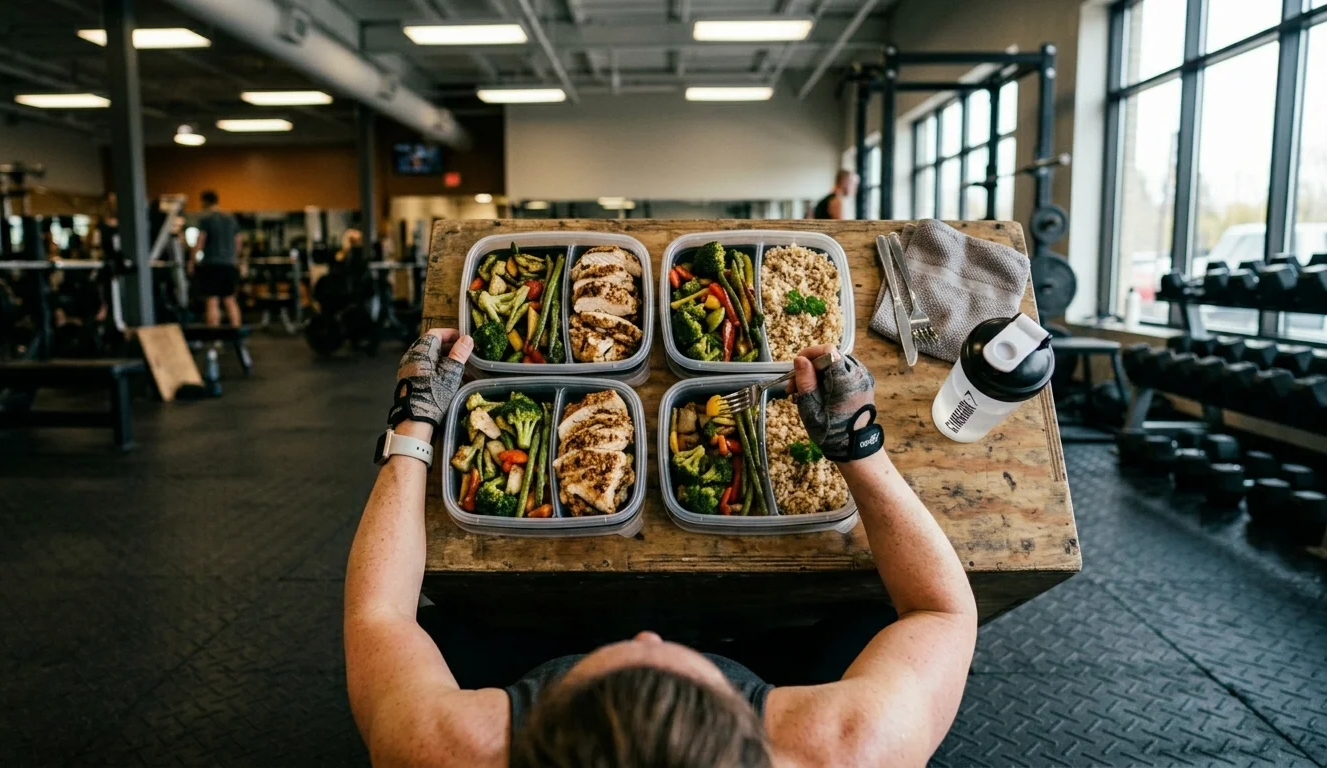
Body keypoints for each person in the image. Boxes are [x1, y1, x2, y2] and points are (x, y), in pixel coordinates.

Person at [345, 330, 977, 768]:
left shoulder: (435, 747)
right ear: (757, 740)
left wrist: (413, 424)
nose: (648, 637)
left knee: (441, 629)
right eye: (671, 662)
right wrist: (857, 446)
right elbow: (942, 610)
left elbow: (379, 613)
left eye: (616, 664)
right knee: (870, 623)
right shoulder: (853, 745)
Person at [193, 190, 243, 327]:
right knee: (230, 299)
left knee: (212, 300)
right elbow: (238, 241)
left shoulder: (206, 219)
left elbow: (200, 240)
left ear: (204, 202)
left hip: (212, 264)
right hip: (229, 264)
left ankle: (214, 339)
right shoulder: (230, 218)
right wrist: (234, 258)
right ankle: (237, 335)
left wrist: (192, 260)